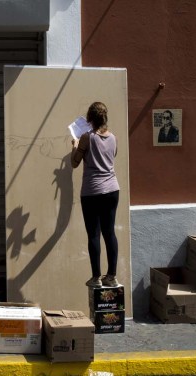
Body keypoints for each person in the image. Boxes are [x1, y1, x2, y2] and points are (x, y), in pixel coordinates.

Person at [71, 101, 121, 288]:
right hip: (112, 190)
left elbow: (74, 163)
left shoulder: (86, 138)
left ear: (90, 119)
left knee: (94, 234)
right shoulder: (113, 137)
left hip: (92, 192)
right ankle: (112, 276)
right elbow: (111, 157)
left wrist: (74, 146)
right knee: (109, 233)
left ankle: (96, 278)